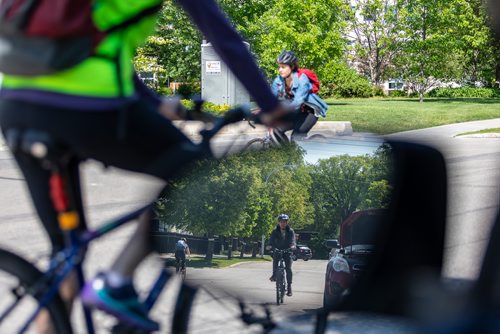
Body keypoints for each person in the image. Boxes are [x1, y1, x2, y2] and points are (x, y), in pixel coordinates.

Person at [0, 1, 289, 331]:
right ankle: (117, 280)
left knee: (65, 256)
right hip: (89, 111)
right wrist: (271, 107)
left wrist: (156, 104)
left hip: (15, 108)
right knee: (197, 172)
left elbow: (97, 46)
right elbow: (222, 36)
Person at [271, 50, 328, 143]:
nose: (280, 70)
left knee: (296, 138)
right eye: (279, 67)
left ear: (292, 67)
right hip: (295, 113)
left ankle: (304, 153)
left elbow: (298, 101)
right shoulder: (278, 80)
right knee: (276, 130)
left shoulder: (302, 79)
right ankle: (285, 154)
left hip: (309, 113)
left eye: (283, 67)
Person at [268, 213, 296, 297]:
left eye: (285, 222)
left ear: (287, 222)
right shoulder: (274, 231)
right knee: (275, 260)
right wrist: (269, 246)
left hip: (287, 251)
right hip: (278, 250)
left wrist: (293, 246)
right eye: (281, 222)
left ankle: (289, 287)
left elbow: (292, 240)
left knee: (288, 268)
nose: (283, 223)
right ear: (279, 222)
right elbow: (271, 240)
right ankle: (274, 275)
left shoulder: (290, 231)